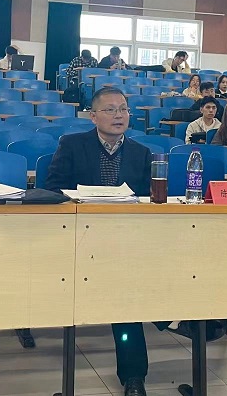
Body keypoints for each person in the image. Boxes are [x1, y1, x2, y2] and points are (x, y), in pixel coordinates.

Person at [45, 87, 153, 396]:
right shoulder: (72, 144)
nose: (119, 115)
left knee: (126, 291)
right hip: (79, 237)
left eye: (123, 109)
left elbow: (148, 201)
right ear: (93, 116)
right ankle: (168, 322)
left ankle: (134, 377)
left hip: (124, 241)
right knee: (122, 288)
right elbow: (53, 189)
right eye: (110, 110)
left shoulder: (141, 153)